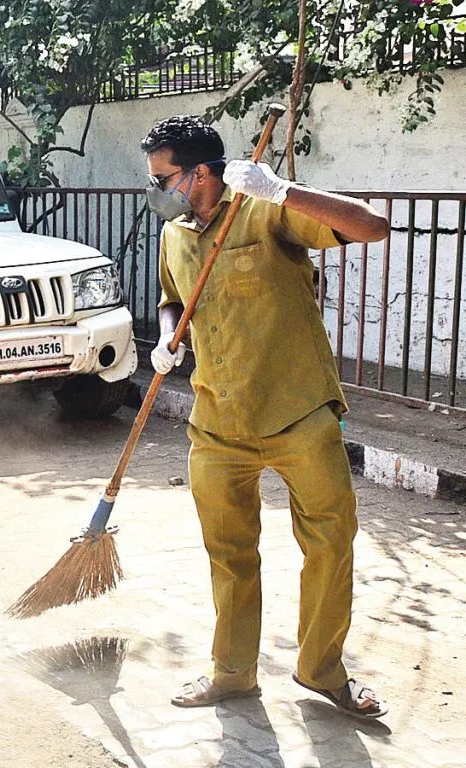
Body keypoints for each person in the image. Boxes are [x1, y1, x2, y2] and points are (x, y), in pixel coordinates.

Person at [141, 115, 390, 718]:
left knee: (331, 542)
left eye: (164, 177)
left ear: (202, 173)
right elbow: (174, 294)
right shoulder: (177, 233)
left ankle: (322, 670)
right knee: (229, 553)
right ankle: (232, 673)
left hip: (298, 411)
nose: (157, 189)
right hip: (218, 421)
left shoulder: (263, 211)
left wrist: (281, 191)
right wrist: (168, 334)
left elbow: (371, 225)